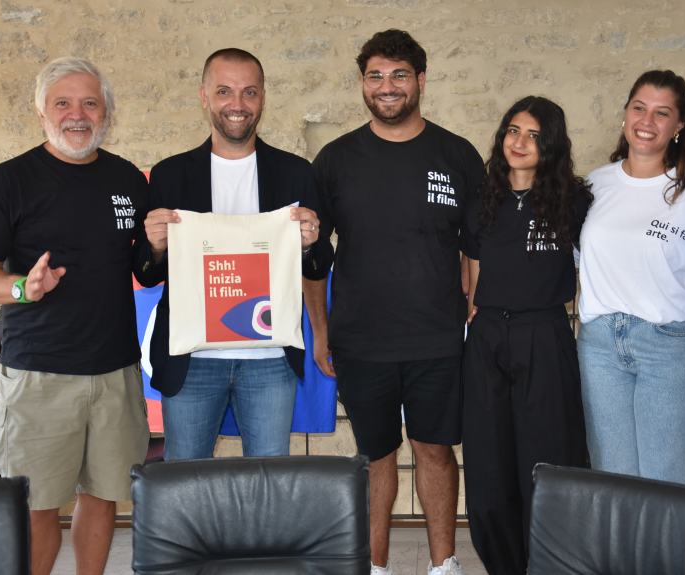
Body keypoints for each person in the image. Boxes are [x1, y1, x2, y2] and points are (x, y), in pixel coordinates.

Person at [0, 56, 150, 575]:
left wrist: (159, 244)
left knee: (104, 495)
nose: (78, 115)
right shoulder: (9, 181)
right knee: (37, 504)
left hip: (115, 373)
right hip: (39, 375)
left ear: (107, 112)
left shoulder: (128, 179)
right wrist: (23, 286)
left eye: (90, 103)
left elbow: (145, 267)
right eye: (62, 103)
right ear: (42, 112)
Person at [308, 29, 484, 575]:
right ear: (363, 84)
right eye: (376, 76)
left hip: (436, 339)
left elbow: (476, 248)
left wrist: (472, 313)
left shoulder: (457, 155)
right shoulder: (335, 160)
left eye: (399, 75)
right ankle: (376, 567)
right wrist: (320, 331)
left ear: (421, 81)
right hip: (361, 340)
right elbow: (315, 258)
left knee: (434, 450)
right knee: (375, 455)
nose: (387, 87)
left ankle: (444, 564)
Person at [134, 48, 327, 460]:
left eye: (249, 92)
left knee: (267, 485)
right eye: (224, 91)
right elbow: (147, 274)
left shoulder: (296, 172)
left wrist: (310, 242)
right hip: (191, 360)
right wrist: (153, 245)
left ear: (262, 98)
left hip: (270, 359)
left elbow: (318, 265)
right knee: (185, 488)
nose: (237, 105)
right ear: (204, 96)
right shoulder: (170, 174)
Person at [461, 96, 592, 574]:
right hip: (488, 336)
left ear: (551, 144)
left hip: (545, 334)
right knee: (488, 469)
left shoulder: (574, 201)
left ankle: (550, 565)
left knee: (547, 462)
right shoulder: (481, 200)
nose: (520, 142)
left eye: (534, 135)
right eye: (513, 131)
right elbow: (471, 273)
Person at [577, 69, 685, 484]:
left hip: (671, 347)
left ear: (678, 127)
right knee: (613, 476)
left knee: (666, 477)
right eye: (639, 108)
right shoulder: (595, 185)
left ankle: (670, 554)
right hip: (601, 346)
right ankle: (622, 553)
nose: (646, 121)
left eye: (662, 113)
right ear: (625, 114)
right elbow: (575, 259)